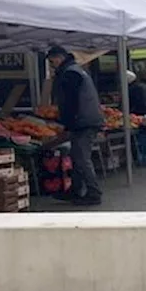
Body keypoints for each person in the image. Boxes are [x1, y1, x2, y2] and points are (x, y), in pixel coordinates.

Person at [45, 45, 105, 206]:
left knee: (82, 158)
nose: (52, 66)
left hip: (83, 121)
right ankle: (75, 189)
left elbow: (70, 101)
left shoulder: (70, 73)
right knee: (76, 156)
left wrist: (67, 123)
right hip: (86, 119)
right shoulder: (76, 70)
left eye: (52, 62)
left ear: (59, 58)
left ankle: (93, 193)